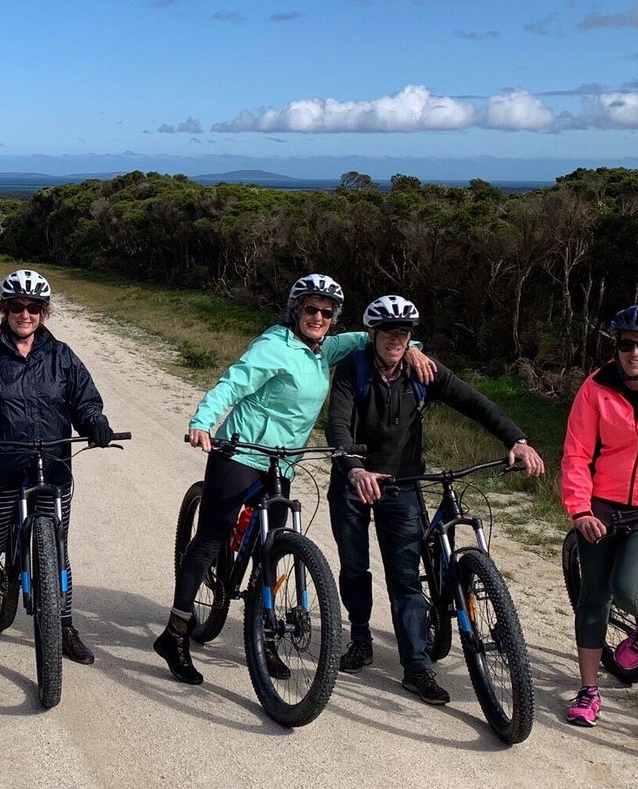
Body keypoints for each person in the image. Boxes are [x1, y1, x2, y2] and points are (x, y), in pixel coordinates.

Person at [152, 273, 435, 685]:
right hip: (243, 452)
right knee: (213, 535)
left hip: (283, 464)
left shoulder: (325, 351)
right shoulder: (273, 346)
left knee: (272, 548)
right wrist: (202, 422)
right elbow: (234, 382)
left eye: (326, 311)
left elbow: (375, 338)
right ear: (295, 311)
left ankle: (264, 637)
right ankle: (175, 631)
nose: (318, 317)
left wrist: (412, 350)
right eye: (310, 309)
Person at [325, 294, 544, 705]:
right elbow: (337, 425)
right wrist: (354, 468)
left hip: (402, 483)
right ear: (372, 333)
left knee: (405, 578)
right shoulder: (351, 370)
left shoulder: (422, 371)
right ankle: (359, 638)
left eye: (404, 333)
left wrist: (515, 438)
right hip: (354, 481)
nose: (396, 339)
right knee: (354, 567)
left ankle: (417, 667)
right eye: (388, 331)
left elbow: (474, 402)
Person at [0, 269, 114, 669]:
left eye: (34, 308)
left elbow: (85, 401)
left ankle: (65, 626)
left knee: (60, 554)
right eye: (16, 307)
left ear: (44, 312)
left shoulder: (62, 356)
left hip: (52, 468)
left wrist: (94, 424)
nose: (25, 314)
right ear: (4, 309)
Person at [561, 305, 638, 727]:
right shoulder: (596, 387)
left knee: (630, 590)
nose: (634, 353)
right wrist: (579, 509)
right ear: (615, 346)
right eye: (626, 344)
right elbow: (577, 453)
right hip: (601, 503)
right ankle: (588, 690)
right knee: (593, 598)